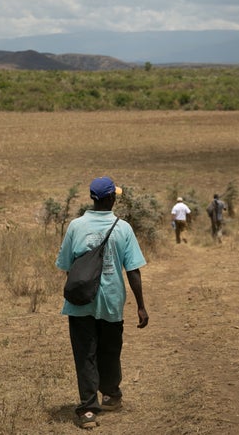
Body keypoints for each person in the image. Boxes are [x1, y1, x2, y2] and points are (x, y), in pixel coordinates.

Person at [55, 176, 149, 429]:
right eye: (114, 195)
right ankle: (110, 395)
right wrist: (140, 305)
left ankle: (87, 410)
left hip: (80, 303)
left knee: (85, 354)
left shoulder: (75, 226)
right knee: (110, 350)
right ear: (110, 198)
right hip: (111, 301)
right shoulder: (123, 228)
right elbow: (133, 270)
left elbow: (67, 267)